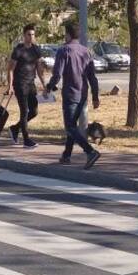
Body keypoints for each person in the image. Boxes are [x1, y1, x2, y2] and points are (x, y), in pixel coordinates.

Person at [46, 21, 101, 169]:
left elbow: (57, 74)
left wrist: (49, 87)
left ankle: (90, 151)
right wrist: (95, 96)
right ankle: (66, 155)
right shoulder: (86, 52)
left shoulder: (64, 51)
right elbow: (92, 77)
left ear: (68, 34)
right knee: (73, 126)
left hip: (70, 94)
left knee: (70, 127)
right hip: (83, 93)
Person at [6, 24, 47, 149]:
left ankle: (14, 128)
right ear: (24, 35)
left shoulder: (36, 49)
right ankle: (26, 140)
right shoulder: (18, 49)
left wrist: (45, 84)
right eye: (29, 34)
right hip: (19, 84)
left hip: (30, 83)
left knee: (34, 112)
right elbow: (10, 69)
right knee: (24, 111)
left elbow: (40, 69)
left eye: (33, 35)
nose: (31, 37)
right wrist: (10, 86)